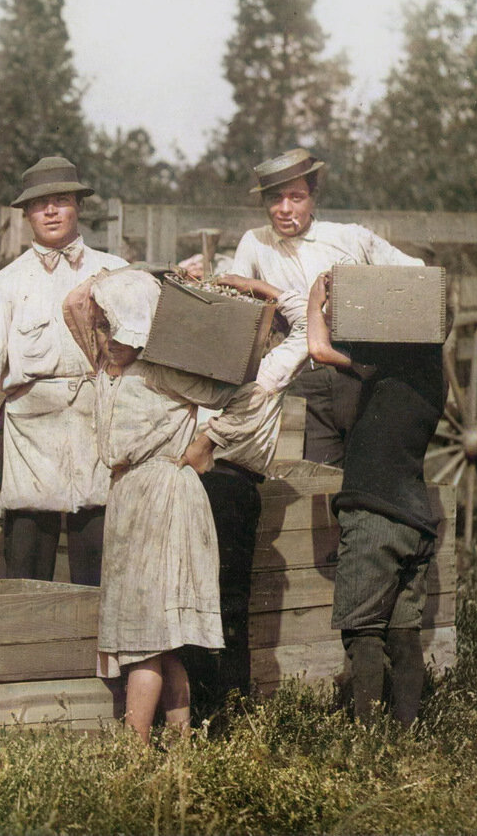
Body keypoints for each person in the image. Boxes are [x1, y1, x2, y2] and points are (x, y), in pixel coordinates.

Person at [62, 267, 268, 744]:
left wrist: (207, 441)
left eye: (120, 326)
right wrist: (132, 277)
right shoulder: (105, 361)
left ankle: (132, 751)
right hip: (129, 497)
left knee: (146, 639)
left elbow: (249, 395)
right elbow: (75, 303)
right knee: (158, 636)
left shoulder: (164, 370)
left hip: (165, 496)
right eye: (105, 325)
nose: (110, 337)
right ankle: (181, 745)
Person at [0, 156, 127, 585]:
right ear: (27, 215)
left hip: (99, 427)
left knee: (99, 553)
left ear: (78, 206)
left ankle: (95, 649)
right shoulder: (8, 282)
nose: (51, 211)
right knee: (28, 555)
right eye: (40, 204)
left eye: (61, 200)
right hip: (32, 433)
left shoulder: (114, 273)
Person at [307, 271, 447, 725]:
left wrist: (316, 301)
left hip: (375, 515)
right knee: (403, 632)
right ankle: (406, 733)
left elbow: (319, 348)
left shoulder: (384, 365)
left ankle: (366, 739)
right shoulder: (432, 374)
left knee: (363, 631)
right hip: (417, 519)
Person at [229, 148, 423, 465]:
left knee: (372, 467)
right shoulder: (255, 242)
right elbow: (238, 305)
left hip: (357, 373)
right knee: (317, 478)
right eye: (275, 199)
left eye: (296, 197)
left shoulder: (349, 237)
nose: (284, 209)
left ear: (314, 196)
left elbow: (416, 273)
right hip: (299, 381)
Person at [181, 275, 310, 713]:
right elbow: (306, 321)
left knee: (212, 600)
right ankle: (214, 708)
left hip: (220, 487)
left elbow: (305, 326)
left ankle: (216, 707)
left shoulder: (253, 374)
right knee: (221, 600)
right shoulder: (258, 372)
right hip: (213, 487)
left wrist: (232, 282)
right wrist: (250, 285)